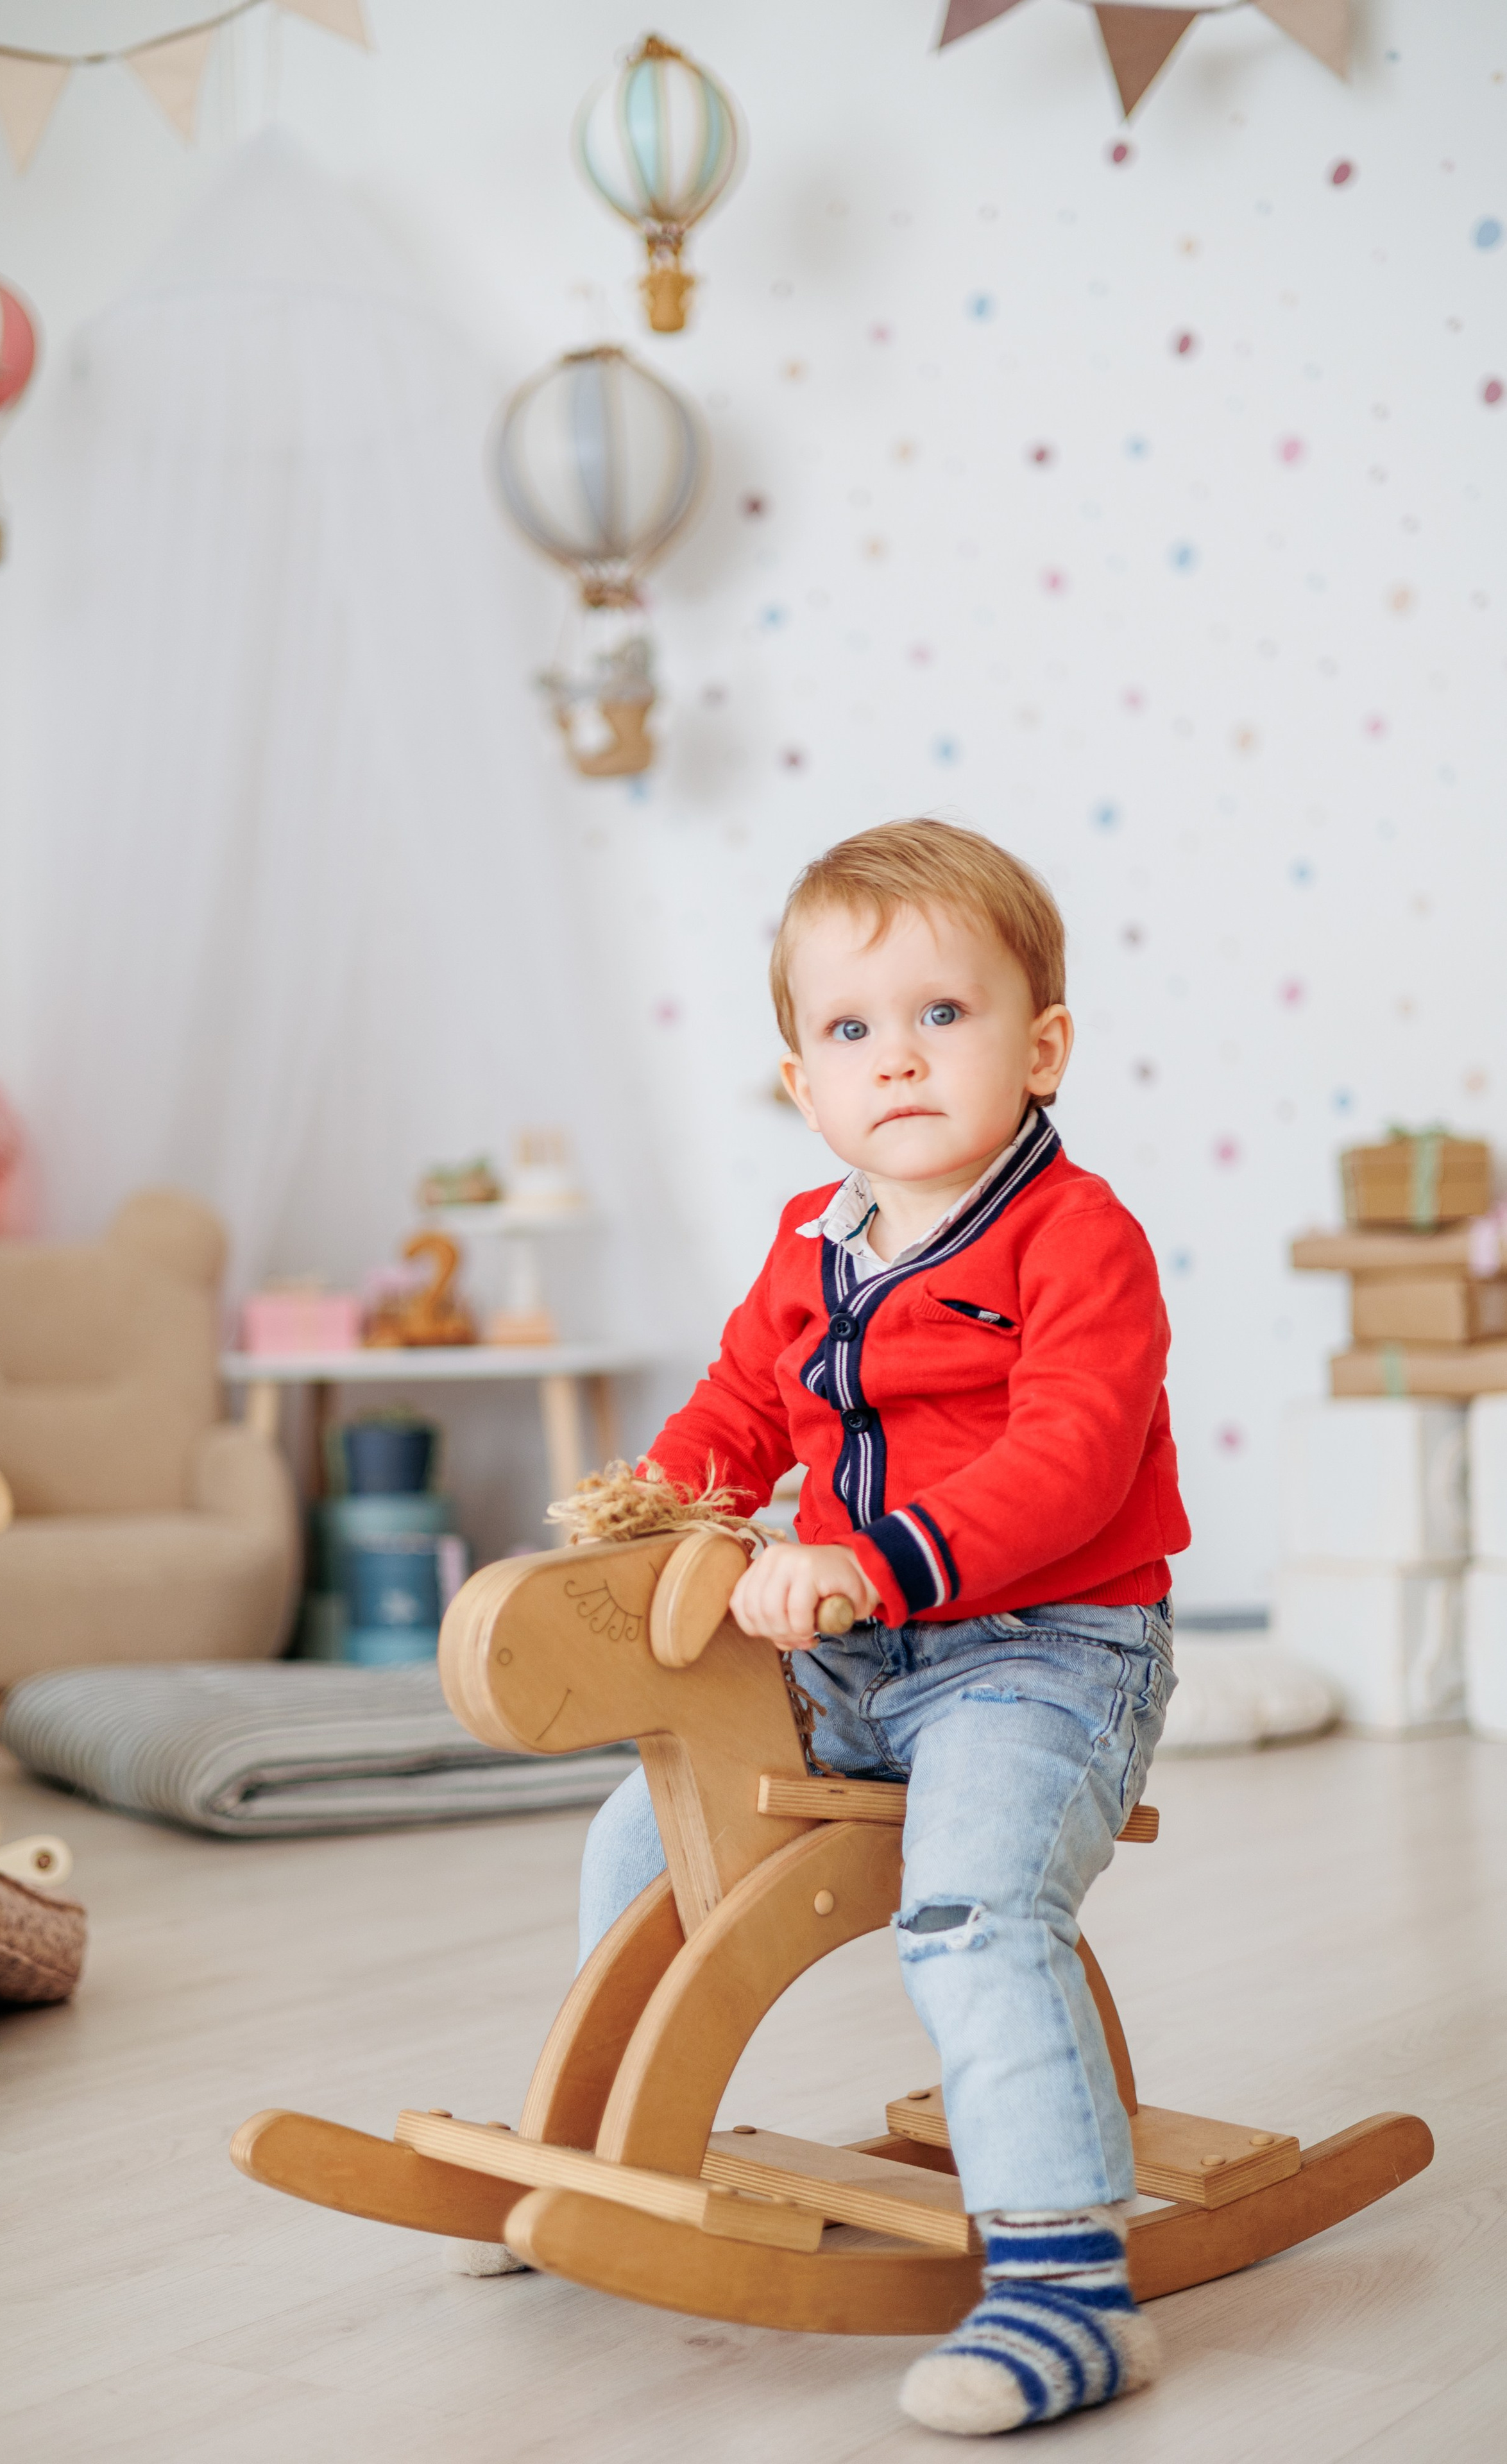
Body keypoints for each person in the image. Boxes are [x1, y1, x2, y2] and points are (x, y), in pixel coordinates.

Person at [580, 817, 1190, 2435]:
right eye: (851, 1030)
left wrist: (879, 1559)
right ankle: (610, 2149)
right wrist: (642, 1519)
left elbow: (1066, 1460)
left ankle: (1065, 2294)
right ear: (802, 1081)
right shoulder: (809, 1243)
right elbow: (734, 1414)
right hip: (854, 1650)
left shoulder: (1080, 1242)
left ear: (1039, 1047)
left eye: (943, 1016)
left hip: (1043, 1654)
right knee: (637, 1834)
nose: (897, 1061)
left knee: (975, 1907)